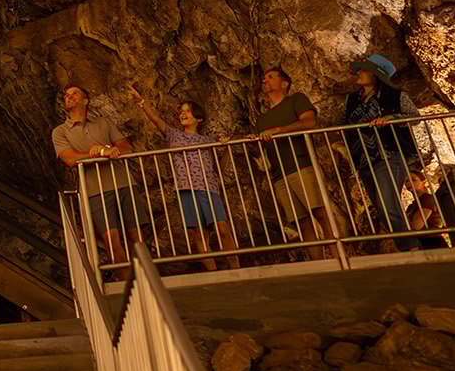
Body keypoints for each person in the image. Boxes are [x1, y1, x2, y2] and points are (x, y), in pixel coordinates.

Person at [130, 87, 240, 270]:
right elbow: (156, 119)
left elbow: (220, 166)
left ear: (199, 118)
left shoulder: (207, 140)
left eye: (188, 110)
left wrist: (227, 148)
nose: (183, 114)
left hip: (209, 187)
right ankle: (214, 273)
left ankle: (237, 269)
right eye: (182, 111)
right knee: (199, 233)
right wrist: (141, 102)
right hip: (186, 189)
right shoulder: (174, 135)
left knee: (222, 229)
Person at [251, 66, 341, 261]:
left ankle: (339, 255)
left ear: (284, 83)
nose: (266, 81)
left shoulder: (296, 100)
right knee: (301, 221)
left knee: (319, 211)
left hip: (300, 164)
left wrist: (279, 130)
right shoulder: (262, 119)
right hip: (279, 173)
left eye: (271, 77)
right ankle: (318, 263)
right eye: (264, 78)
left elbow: (309, 122)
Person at [52, 84, 142, 274]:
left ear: (85, 101)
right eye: (67, 95)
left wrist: (112, 149)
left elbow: (125, 147)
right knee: (110, 237)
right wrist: (99, 152)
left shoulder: (104, 123)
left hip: (123, 182)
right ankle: (128, 283)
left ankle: (147, 278)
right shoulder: (60, 132)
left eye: (74, 93)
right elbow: (69, 159)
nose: (69, 97)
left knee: (136, 234)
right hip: (94, 190)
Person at [342, 54, 421, 249]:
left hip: (388, 154)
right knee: (381, 207)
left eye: (365, 70)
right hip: (364, 160)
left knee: (388, 204)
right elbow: (343, 124)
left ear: (377, 75)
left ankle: (411, 246)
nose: (359, 73)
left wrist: (392, 117)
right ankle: (407, 246)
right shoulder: (352, 100)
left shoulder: (395, 96)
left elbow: (415, 117)